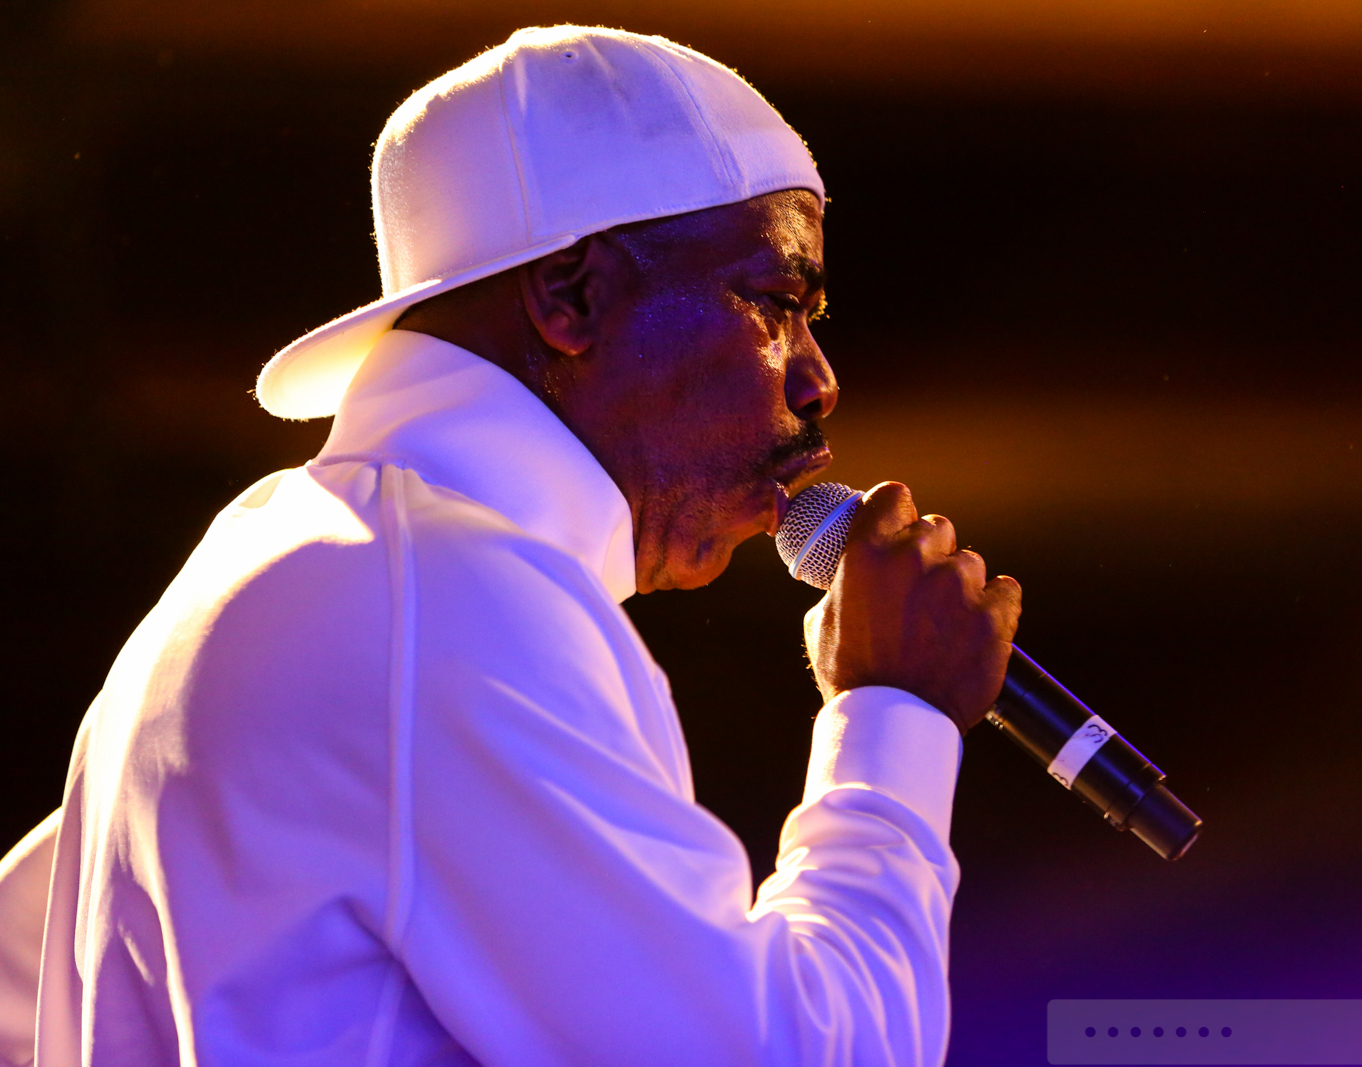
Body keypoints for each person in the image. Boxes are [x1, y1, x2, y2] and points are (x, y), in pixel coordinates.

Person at [0, 26, 1020, 1066]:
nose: (817, 380)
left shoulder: (260, 573)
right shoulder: (447, 606)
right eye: (776, 305)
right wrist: (892, 716)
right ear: (572, 295)